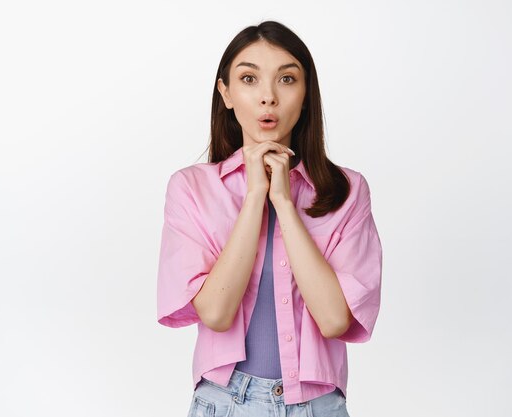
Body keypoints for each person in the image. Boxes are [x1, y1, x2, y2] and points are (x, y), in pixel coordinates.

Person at [157, 20, 383, 417]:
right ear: (225, 92)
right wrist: (255, 195)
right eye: (249, 79)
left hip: (318, 406)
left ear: (306, 92)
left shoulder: (348, 190)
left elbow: (333, 319)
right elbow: (216, 312)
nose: (268, 98)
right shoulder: (190, 188)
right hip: (224, 402)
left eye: (286, 79)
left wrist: (283, 200)